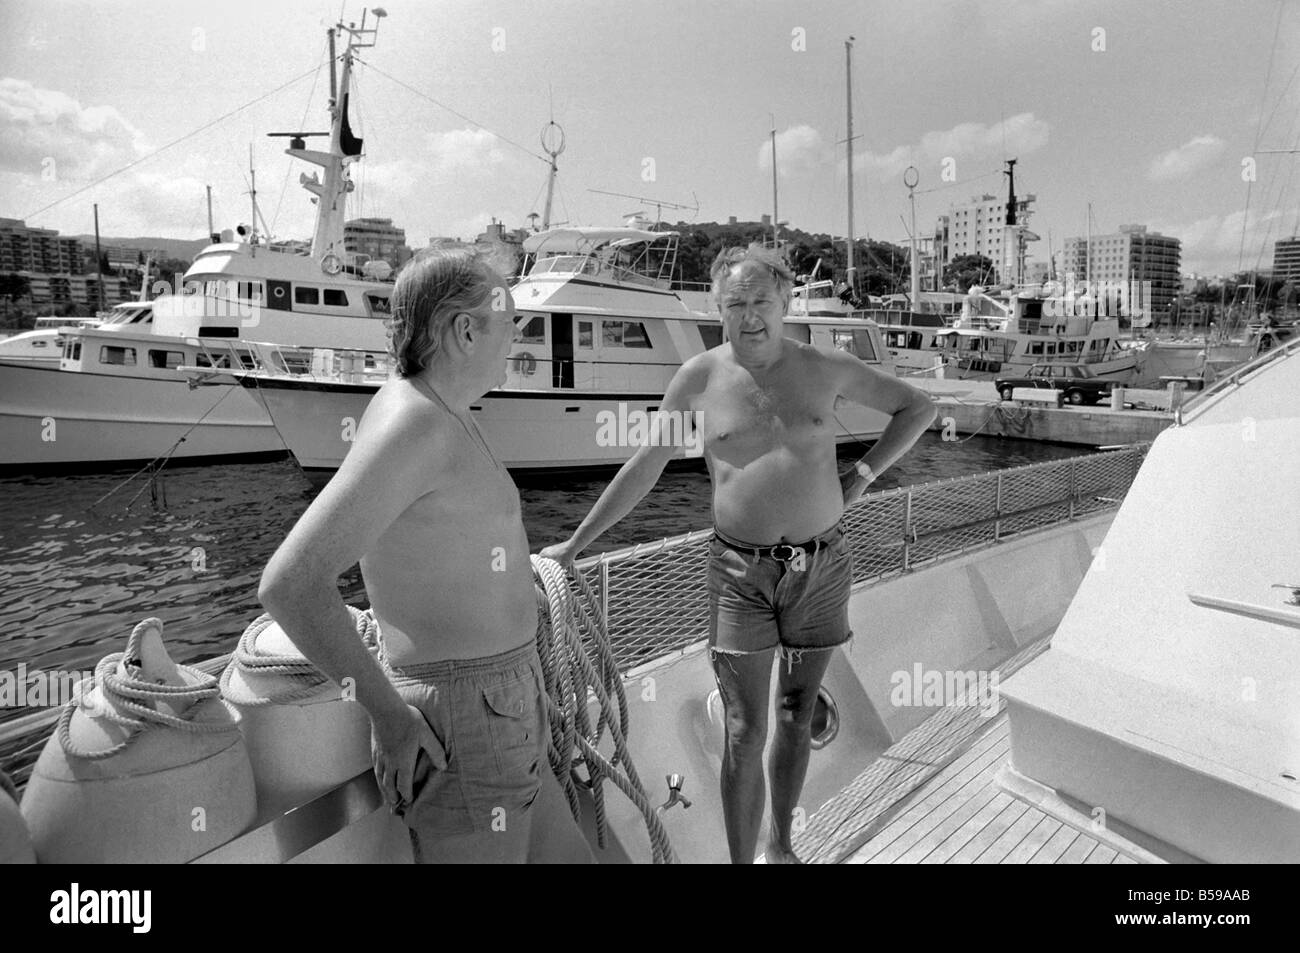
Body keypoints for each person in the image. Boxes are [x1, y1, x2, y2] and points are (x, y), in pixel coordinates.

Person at [541, 245, 935, 864]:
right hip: (738, 575)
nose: (750, 316)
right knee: (744, 729)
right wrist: (575, 544)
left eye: (761, 301)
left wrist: (860, 476)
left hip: (821, 568)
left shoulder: (827, 367)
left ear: (785, 301)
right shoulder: (698, 378)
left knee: (796, 711)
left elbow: (918, 407)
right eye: (735, 304)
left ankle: (781, 845)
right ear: (718, 309)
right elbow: (648, 464)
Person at [259, 245, 593, 864]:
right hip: (468, 719)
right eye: (509, 321)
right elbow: (291, 584)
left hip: (506, 701)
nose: (517, 338)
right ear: (466, 331)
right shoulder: (415, 424)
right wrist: (388, 716)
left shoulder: (447, 412)